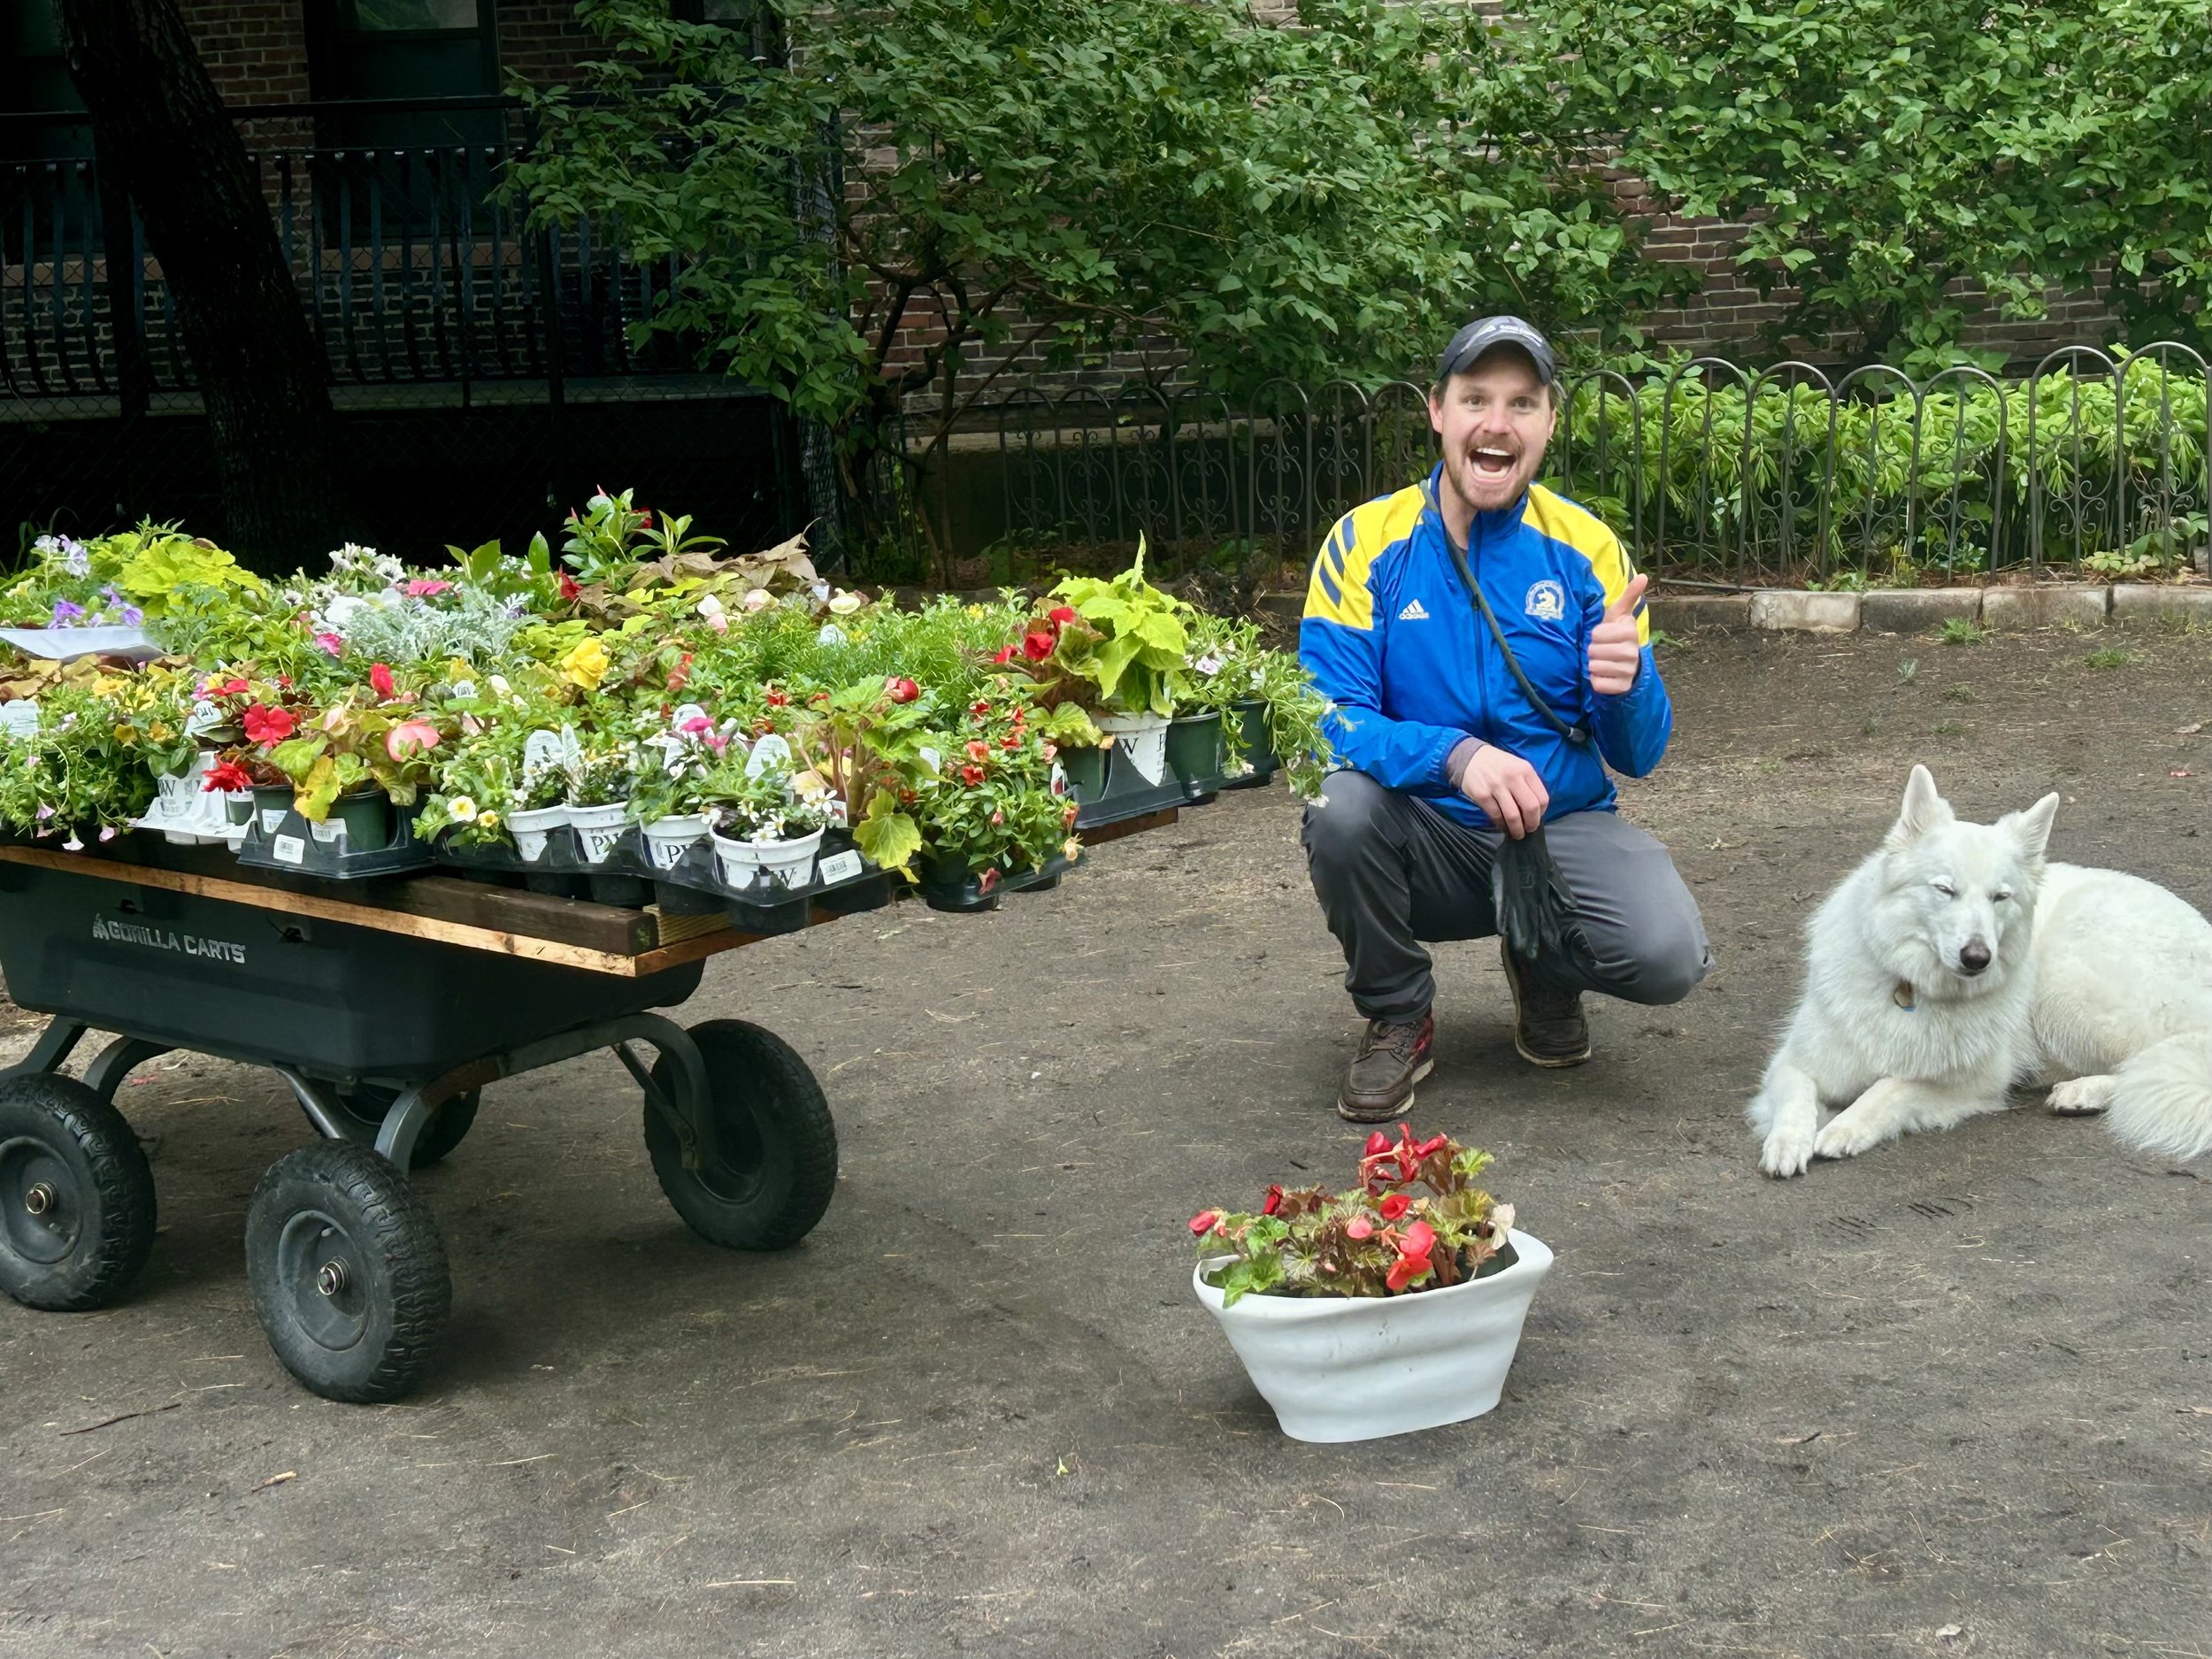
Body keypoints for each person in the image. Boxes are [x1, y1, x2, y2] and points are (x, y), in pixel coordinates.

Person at [1298, 316, 1711, 1122]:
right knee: (1337, 807)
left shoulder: (1588, 550)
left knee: (1668, 955)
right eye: (1475, 398)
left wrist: (1627, 685)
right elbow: (1325, 719)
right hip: (1425, 837)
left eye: (1522, 403)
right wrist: (1455, 756)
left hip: (1558, 829)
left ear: (1550, 421)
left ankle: (1544, 963)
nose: (1497, 423)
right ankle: (1399, 1012)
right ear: (1437, 411)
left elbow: (1639, 754)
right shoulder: (1363, 543)